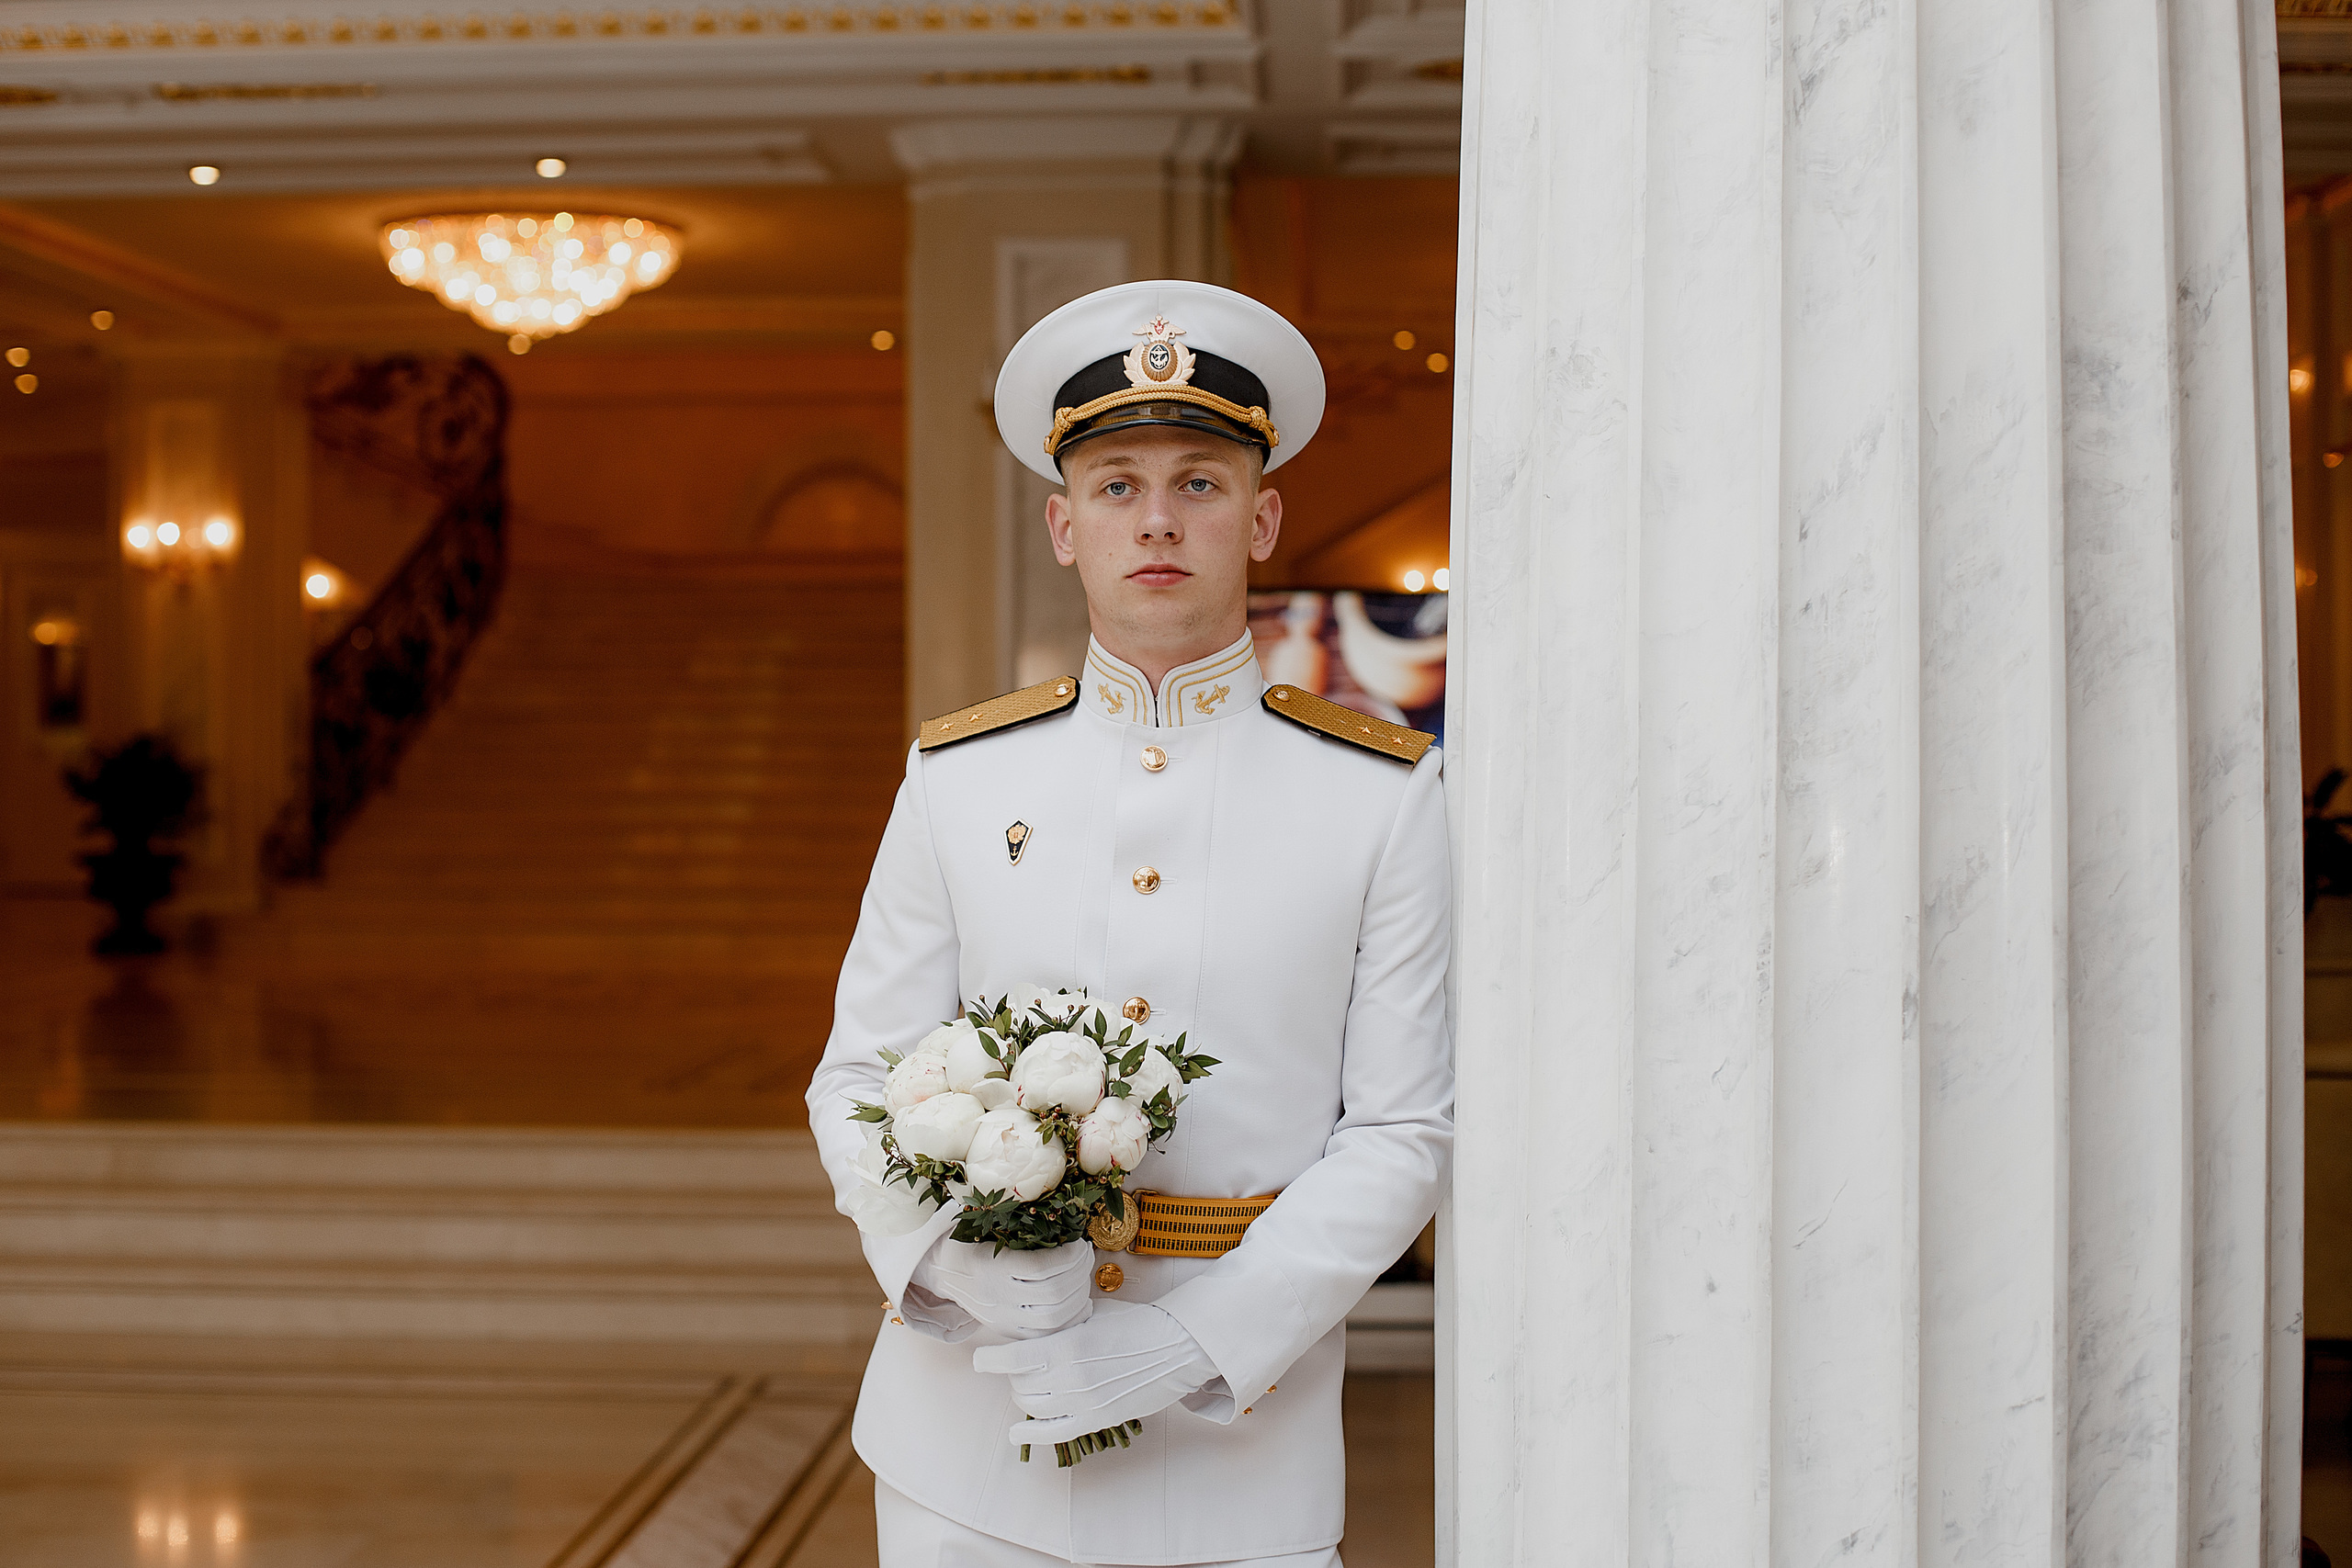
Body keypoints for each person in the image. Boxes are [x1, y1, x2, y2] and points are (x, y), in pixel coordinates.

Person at [806, 279, 1453, 1567]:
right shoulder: (962, 778)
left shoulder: (1385, 793)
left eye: (1200, 483)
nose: (1156, 518)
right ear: (1064, 527)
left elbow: (1402, 1131)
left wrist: (1193, 1342)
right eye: (1116, 485)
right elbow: (859, 1075)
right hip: (961, 1451)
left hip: (1242, 1459)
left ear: (1262, 517)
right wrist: (945, 1264)